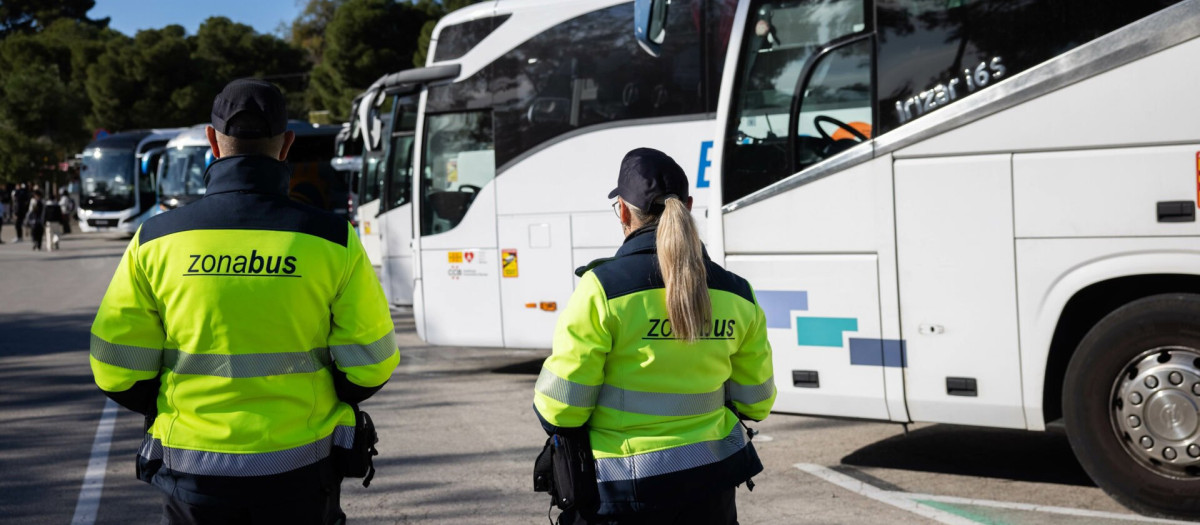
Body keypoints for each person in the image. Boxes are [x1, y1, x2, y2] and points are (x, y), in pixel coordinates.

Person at [89, 79, 400, 525]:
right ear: (287, 144)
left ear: (212, 142)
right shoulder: (332, 239)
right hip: (301, 472)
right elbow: (373, 362)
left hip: (193, 475)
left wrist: (169, 403)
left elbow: (114, 368)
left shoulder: (156, 240)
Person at [533, 148, 776, 524]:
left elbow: (562, 407)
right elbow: (756, 402)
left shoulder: (602, 289)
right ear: (689, 206)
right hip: (712, 490)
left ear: (624, 212)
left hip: (624, 494)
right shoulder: (737, 293)